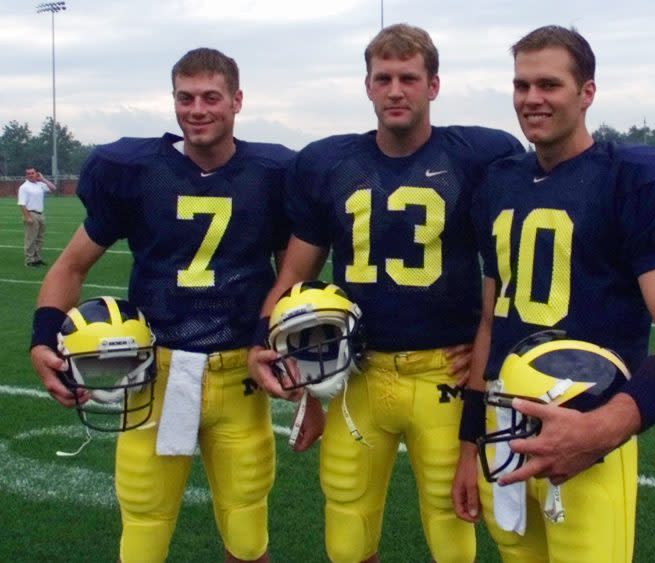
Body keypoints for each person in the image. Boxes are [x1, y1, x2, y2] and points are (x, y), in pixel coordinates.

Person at [249, 23, 523, 563]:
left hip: (442, 370)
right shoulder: (330, 164)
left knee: (451, 532)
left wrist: (493, 347)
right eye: (384, 78)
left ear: (433, 85)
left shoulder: (481, 155)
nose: (396, 89)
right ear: (368, 87)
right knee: (346, 530)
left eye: (408, 77)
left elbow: (511, 269)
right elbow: (294, 277)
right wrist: (267, 340)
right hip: (358, 373)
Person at [452, 25, 655, 563]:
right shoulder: (499, 184)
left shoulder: (631, 179)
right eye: (522, 85)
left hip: (588, 423)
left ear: (586, 92)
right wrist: (468, 442)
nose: (532, 99)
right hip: (505, 428)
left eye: (548, 84)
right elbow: (490, 320)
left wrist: (601, 429)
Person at [29, 47, 295, 563]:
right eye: (185, 97)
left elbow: (292, 275)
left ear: (237, 100)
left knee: (247, 534)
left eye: (211, 97)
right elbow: (71, 266)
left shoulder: (272, 172)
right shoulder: (137, 169)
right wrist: (43, 337)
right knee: (144, 532)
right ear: (173, 101)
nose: (197, 109)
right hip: (157, 370)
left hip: (239, 369)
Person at [18, 166, 56, 266]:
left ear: (36, 173)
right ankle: (29, 260)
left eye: (32, 173)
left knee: (40, 238)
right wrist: (27, 217)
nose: (31, 175)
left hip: (40, 214)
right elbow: (22, 204)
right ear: (26, 175)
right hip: (31, 214)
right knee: (30, 238)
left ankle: (37, 258)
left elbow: (53, 188)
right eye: (28, 174)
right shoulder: (24, 187)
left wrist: (42, 179)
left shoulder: (40, 184)